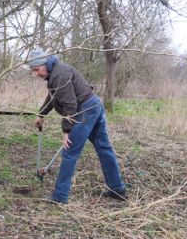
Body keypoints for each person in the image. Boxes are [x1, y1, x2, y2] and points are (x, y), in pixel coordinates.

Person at [28, 49, 126, 204]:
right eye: (33, 71)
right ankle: (117, 189)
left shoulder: (59, 75)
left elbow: (70, 105)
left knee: (70, 152)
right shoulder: (55, 73)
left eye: (36, 69)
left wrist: (66, 131)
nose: (36, 74)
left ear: (44, 64)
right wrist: (41, 114)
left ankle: (59, 196)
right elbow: (53, 96)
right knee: (103, 147)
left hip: (85, 110)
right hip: (94, 105)